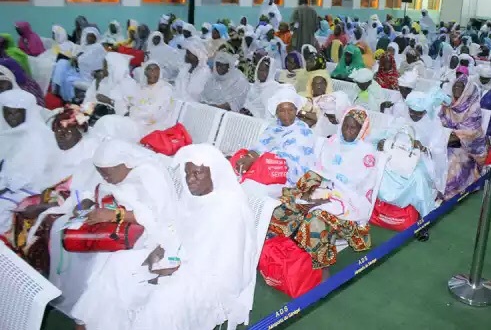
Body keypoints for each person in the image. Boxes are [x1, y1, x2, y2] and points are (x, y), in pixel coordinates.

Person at [117, 144, 256, 330]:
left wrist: (175, 271)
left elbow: (226, 268)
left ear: (213, 173)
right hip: (179, 262)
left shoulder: (229, 207)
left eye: (198, 173)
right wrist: (161, 249)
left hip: (209, 281)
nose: (190, 179)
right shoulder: (192, 196)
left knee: (163, 299)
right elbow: (175, 230)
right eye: (187, 173)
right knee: (119, 265)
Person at [69, 140, 181, 329]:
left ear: (124, 163)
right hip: (125, 236)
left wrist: (115, 214)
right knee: (98, 271)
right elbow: (102, 191)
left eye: (107, 172)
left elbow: (158, 218)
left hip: (156, 240)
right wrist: (90, 205)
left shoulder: (148, 174)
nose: (105, 177)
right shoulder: (117, 174)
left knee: (113, 271)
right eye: (100, 172)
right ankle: (90, 323)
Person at [266, 106, 377, 271]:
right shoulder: (332, 142)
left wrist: (324, 199)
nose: (348, 131)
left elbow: (357, 190)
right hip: (323, 190)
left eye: (353, 127)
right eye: (345, 125)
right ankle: (277, 249)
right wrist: (313, 189)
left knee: (315, 217)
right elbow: (319, 170)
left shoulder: (366, 154)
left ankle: (319, 263)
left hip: (348, 203)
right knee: (285, 203)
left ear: (362, 130)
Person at [8, 105, 100, 275]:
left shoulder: (89, 153)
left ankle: (43, 272)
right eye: (57, 132)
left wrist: (45, 206)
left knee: (46, 221)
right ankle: (24, 267)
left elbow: (83, 192)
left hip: (75, 203)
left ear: (80, 132)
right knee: (22, 207)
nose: (62, 137)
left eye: (68, 132)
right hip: (56, 196)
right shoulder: (60, 151)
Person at [375, 89, 451, 217]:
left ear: (425, 111)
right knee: (379, 166)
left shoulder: (433, 123)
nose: (414, 116)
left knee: (417, 177)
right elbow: (389, 133)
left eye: (419, 113)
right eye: (412, 112)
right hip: (396, 154)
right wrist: (384, 141)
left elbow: (439, 149)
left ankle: (424, 215)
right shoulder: (402, 118)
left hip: (422, 159)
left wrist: (423, 147)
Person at [0, 89, 57, 233]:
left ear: (27, 112)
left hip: (27, 188)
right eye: (8, 112)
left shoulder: (37, 137)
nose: (11, 117)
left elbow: (29, 176)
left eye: (17, 112)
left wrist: (4, 184)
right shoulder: (5, 131)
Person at [236, 87, 315, 187]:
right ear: (276, 113)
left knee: (259, 169)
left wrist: (255, 159)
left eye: (290, 109)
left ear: (296, 110)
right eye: (282, 110)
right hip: (263, 164)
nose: (287, 114)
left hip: (286, 176)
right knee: (237, 158)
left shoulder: (303, 131)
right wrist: (250, 156)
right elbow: (259, 146)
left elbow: (290, 160)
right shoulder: (273, 127)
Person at [439, 76, 487, 200]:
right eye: (455, 85)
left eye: (460, 86)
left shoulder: (473, 108)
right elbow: (439, 122)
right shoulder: (448, 104)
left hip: (466, 148)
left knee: (449, 162)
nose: (456, 88)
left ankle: (447, 193)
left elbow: (471, 133)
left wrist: (448, 135)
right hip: (446, 141)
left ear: (467, 90)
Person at [52, 26, 106, 102]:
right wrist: (75, 58)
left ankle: (71, 98)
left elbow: (90, 61)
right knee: (64, 71)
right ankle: (66, 98)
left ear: (96, 37)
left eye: (92, 36)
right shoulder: (84, 46)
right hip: (81, 72)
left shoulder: (98, 47)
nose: (90, 38)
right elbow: (79, 55)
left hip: (91, 76)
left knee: (68, 78)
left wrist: (78, 59)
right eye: (88, 36)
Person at [129, 61, 175, 135]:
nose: (153, 72)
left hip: (157, 128)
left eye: (156, 69)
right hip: (139, 123)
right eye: (150, 69)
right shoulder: (141, 88)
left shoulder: (165, 89)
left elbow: (154, 113)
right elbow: (133, 104)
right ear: (144, 72)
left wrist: (133, 114)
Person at [173, 37, 210, 103]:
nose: (186, 55)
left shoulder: (204, 72)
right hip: (178, 103)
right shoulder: (185, 68)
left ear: (197, 55)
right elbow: (177, 85)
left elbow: (196, 93)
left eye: (188, 53)